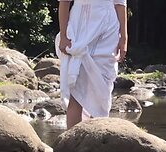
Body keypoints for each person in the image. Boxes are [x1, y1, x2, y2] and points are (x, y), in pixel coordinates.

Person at [55, 0, 128, 129]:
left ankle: (97, 139)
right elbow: (64, 2)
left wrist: (124, 38)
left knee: (103, 85)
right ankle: (73, 144)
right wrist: (64, 35)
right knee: (77, 88)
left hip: (108, 28)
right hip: (79, 26)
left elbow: (120, 3)